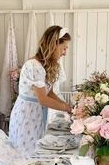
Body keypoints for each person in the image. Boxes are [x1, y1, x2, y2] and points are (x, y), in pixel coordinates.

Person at [8, 25, 72, 158]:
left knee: (35, 152)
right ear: (54, 45)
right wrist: (66, 108)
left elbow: (49, 92)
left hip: (36, 114)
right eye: (64, 48)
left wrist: (68, 107)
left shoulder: (47, 65)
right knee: (24, 155)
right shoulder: (34, 66)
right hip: (26, 115)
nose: (65, 52)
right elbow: (43, 99)